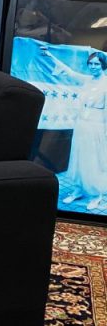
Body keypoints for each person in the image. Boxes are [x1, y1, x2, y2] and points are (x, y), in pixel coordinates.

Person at [42, 48, 107, 210]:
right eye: (90, 64)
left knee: (94, 160)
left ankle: (96, 194)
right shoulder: (88, 80)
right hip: (82, 125)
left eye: (96, 64)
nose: (93, 67)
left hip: (97, 125)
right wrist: (50, 57)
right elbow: (70, 73)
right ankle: (78, 189)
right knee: (78, 157)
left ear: (103, 65)